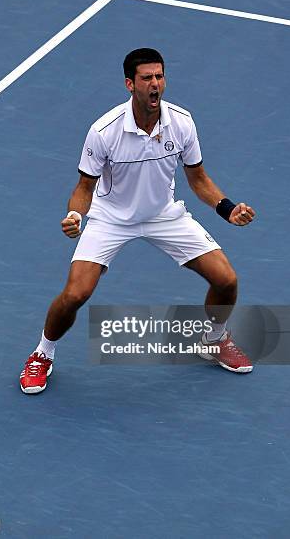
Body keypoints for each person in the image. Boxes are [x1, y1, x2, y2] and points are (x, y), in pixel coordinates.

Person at [20, 48, 256, 394]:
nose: (155, 84)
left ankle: (214, 338)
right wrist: (74, 215)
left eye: (159, 76)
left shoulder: (182, 123)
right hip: (111, 219)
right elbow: (84, 187)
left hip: (163, 215)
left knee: (227, 280)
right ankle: (43, 353)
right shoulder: (104, 131)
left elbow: (199, 180)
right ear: (130, 84)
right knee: (74, 294)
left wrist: (227, 208)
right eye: (147, 78)